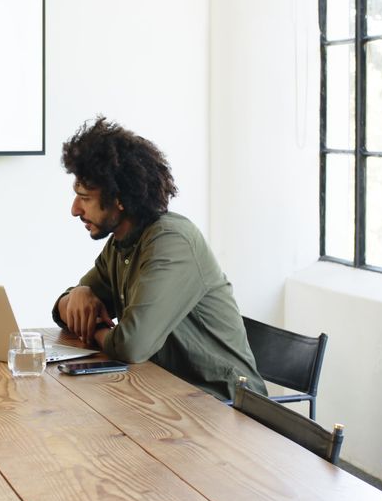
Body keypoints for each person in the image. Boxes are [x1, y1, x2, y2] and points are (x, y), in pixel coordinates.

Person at [52, 116, 267, 401]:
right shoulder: (121, 242)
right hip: (168, 395)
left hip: (226, 404)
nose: (74, 209)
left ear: (119, 198)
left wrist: (97, 328)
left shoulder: (170, 242)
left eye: (85, 197)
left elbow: (131, 346)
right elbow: (64, 311)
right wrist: (79, 293)